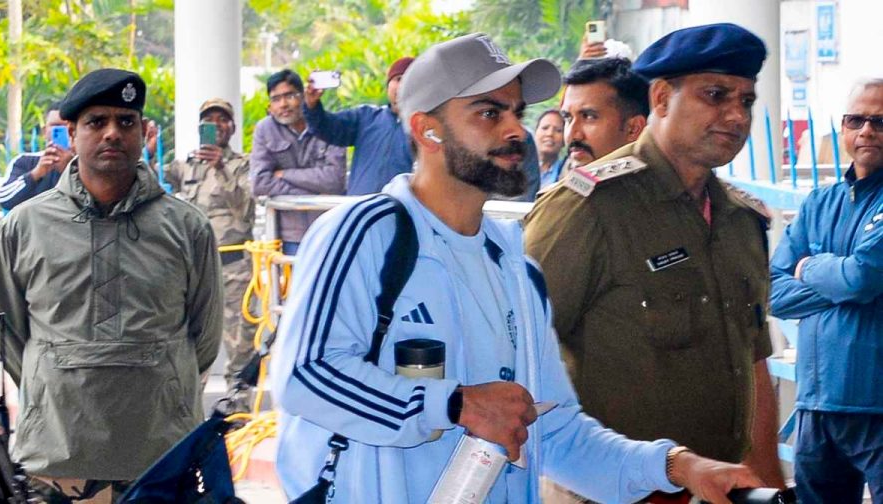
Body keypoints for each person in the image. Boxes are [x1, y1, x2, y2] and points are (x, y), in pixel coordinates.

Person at [272, 32, 762, 504]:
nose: (514, 131)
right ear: (427, 128)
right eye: (488, 112)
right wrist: (453, 404)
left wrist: (677, 467)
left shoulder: (515, 269)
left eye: (516, 112)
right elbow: (304, 376)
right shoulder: (369, 233)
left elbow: (556, 433)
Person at [524, 23, 787, 500]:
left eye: (745, 101)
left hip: (717, 487)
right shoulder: (589, 207)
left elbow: (753, 361)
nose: (735, 115)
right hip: (608, 490)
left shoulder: (739, 220)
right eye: (715, 95)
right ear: (662, 99)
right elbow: (515, 347)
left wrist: (768, 476)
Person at [0, 69, 223, 500]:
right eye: (97, 122)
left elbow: (204, 338)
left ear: (143, 132)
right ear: (72, 133)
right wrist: (57, 379)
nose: (112, 133)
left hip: (160, 455)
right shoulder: (25, 226)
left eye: (126, 121)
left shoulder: (188, 227)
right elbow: (10, 334)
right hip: (58, 457)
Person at [769, 79, 883, 504]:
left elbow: (862, 277)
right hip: (817, 404)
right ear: (843, 128)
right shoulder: (820, 202)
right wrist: (842, 282)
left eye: (880, 121)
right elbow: (773, 291)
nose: (867, 131)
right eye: (857, 120)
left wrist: (808, 268)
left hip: (875, 405)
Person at [166, 97, 255, 413]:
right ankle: (188, 415)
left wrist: (221, 166)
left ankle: (238, 414)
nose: (216, 125)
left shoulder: (242, 164)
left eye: (222, 119)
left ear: (231, 126)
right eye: (209, 120)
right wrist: (149, 149)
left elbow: (245, 209)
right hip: (194, 270)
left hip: (234, 268)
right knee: (189, 343)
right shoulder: (187, 165)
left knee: (240, 346)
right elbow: (148, 181)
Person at [250, 69, 346, 255]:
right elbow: (259, 183)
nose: (283, 104)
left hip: (329, 229)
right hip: (289, 236)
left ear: (303, 96)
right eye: (276, 99)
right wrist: (314, 193)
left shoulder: (328, 124)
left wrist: (284, 174)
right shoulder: (265, 130)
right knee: (292, 284)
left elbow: (335, 180)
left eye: (290, 96)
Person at [303, 57, 414, 195]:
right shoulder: (365, 116)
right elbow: (327, 128)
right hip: (360, 210)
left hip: (401, 212)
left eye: (409, 80)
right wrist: (312, 106)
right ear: (388, 85)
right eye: (398, 79)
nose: (402, 86)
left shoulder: (426, 128)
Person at [558, 57, 649, 178]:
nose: (572, 134)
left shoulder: (654, 193)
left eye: (589, 117)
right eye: (568, 118)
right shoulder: (570, 184)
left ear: (633, 128)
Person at [0, 102, 74, 211]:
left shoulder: (86, 162)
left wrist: (70, 169)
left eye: (66, 126)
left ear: (74, 130)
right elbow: (5, 199)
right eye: (55, 126)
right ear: (44, 131)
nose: (62, 130)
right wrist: (35, 174)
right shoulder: (25, 161)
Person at [535, 109, 565, 186]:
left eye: (558, 130)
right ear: (535, 133)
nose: (550, 134)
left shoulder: (567, 173)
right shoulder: (516, 166)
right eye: (545, 128)